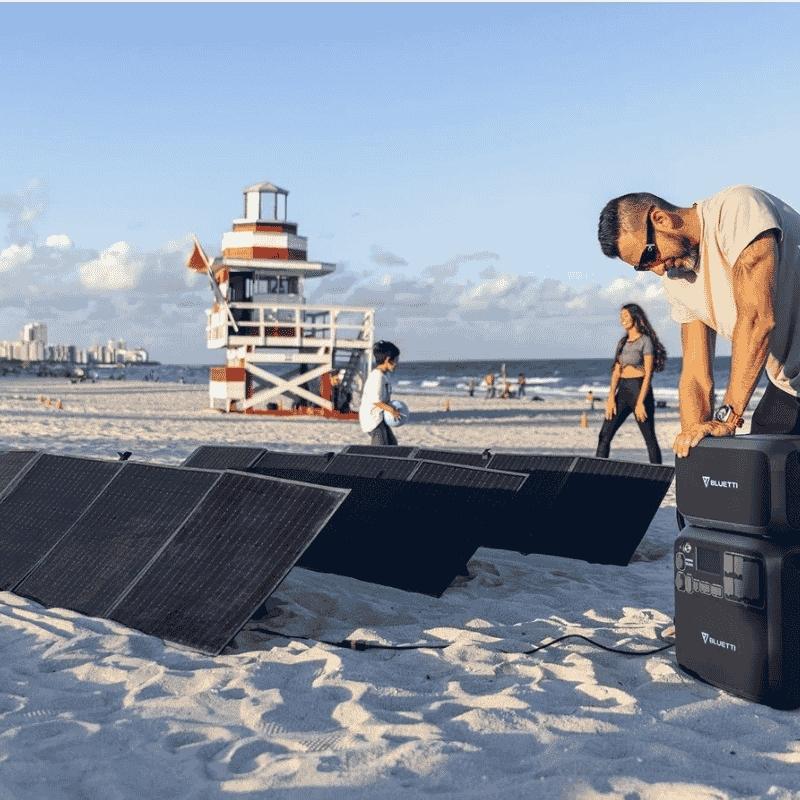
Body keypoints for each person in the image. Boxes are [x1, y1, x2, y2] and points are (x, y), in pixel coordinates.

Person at [599, 185, 800, 457]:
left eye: (650, 255)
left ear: (661, 219)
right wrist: (693, 443)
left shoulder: (736, 210)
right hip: (789, 384)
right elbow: (695, 375)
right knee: (766, 473)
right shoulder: (677, 281)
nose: (657, 270)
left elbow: (756, 320)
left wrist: (727, 419)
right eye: (644, 267)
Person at [595, 304, 666, 464]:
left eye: (626, 316)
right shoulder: (622, 343)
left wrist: (640, 403)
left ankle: (658, 475)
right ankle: (596, 472)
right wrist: (611, 398)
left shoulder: (645, 341)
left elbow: (648, 373)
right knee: (604, 435)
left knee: (649, 438)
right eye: (621, 316)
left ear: (635, 317)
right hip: (623, 390)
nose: (622, 319)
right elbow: (616, 372)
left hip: (640, 390)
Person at [359, 340, 401, 445]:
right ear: (387, 360)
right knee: (380, 449)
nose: (397, 364)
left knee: (392, 444)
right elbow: (376, 401)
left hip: (380, 418)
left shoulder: (383, 376)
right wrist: (392, 410)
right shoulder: (377, 377)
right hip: (373, 420)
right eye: (396, 360)